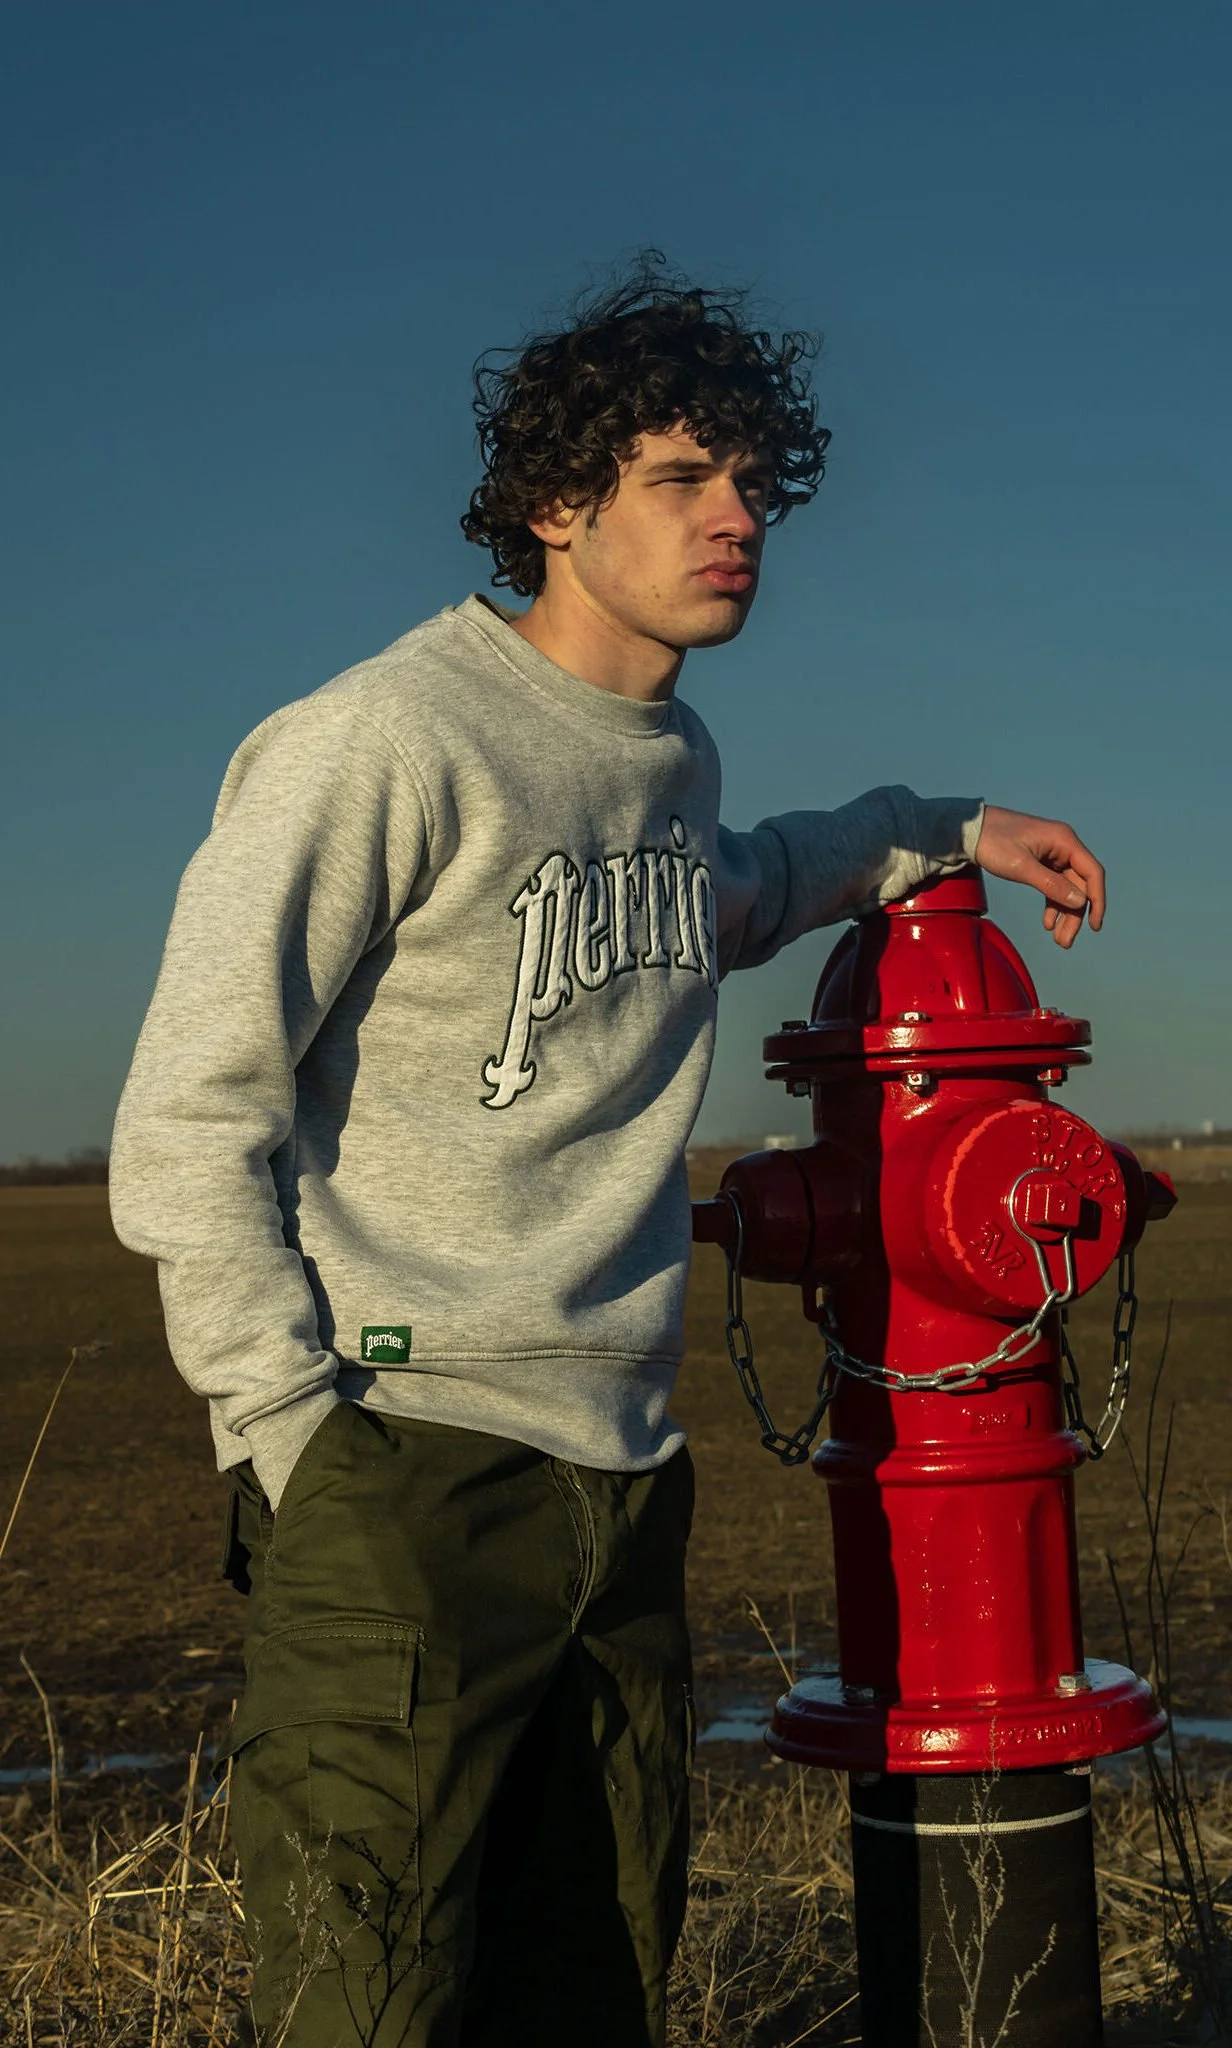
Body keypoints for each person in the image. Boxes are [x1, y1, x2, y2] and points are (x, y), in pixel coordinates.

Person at [109, 258, 1105, 2048]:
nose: (739, 522)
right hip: (404, 1462)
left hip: (626, 1480)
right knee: (373, 2000)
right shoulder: (384, 739)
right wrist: (289, 1435)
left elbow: (718, 902)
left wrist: (942, 828)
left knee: (596, 1984)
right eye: (682, 480)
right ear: (559, 504)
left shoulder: (669, 762)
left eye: (754, 487)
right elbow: (189, 1113)